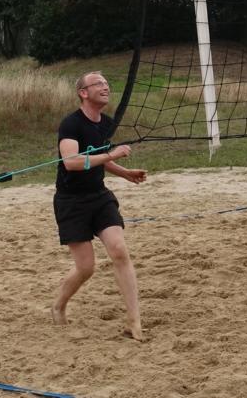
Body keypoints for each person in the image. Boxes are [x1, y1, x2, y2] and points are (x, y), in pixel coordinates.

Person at [51, 71, 147, 341]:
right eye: (98, 84)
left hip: (99, 196)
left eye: (107, 83)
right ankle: (58, 305)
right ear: (83, 93)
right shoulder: (71, 124)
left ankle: (134, 321)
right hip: (71, 201)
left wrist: (124, 172)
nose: (105, 87)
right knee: (86, 268)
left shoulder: (106, 123)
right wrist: (112, 154)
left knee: (119, 250)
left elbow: (100, 158)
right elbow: (71, 162)